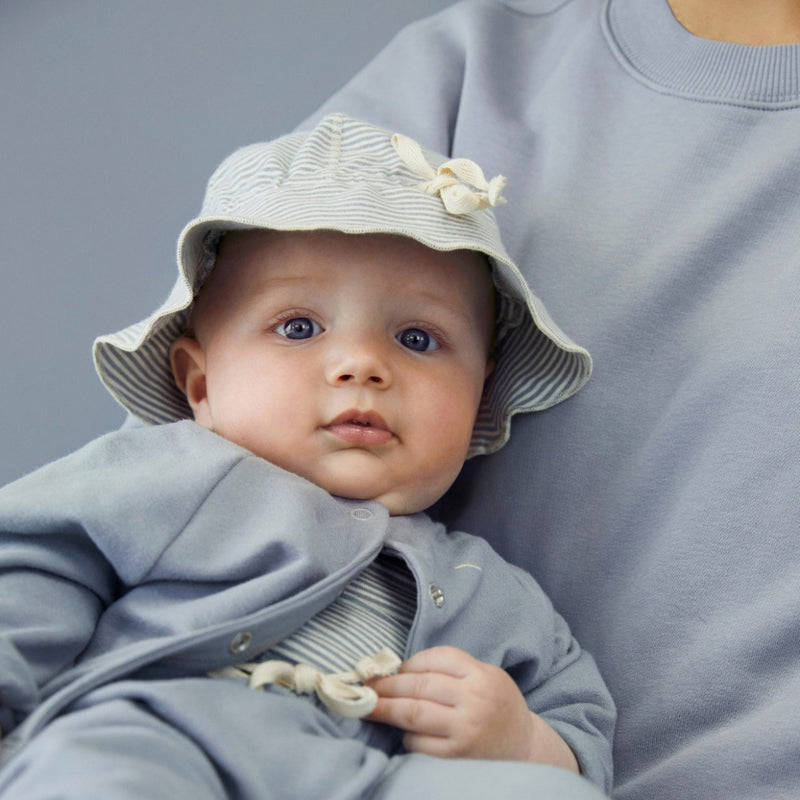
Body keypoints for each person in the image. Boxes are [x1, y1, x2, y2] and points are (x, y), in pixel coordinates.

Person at [0, 114, 615, 799]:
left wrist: (522, 741)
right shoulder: (169, 472)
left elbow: (578, 720)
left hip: (376, 780)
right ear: (200, 384)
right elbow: (33, 564)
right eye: (298, 327)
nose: (362, 364)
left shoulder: (490, 590)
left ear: (479, 395)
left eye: (417, 339)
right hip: (166, 735)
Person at [297, 1, 800, 799]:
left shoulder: (522, 636)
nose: (360, 370)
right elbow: (195, 470)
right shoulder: (471, 74)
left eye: (417, 340)